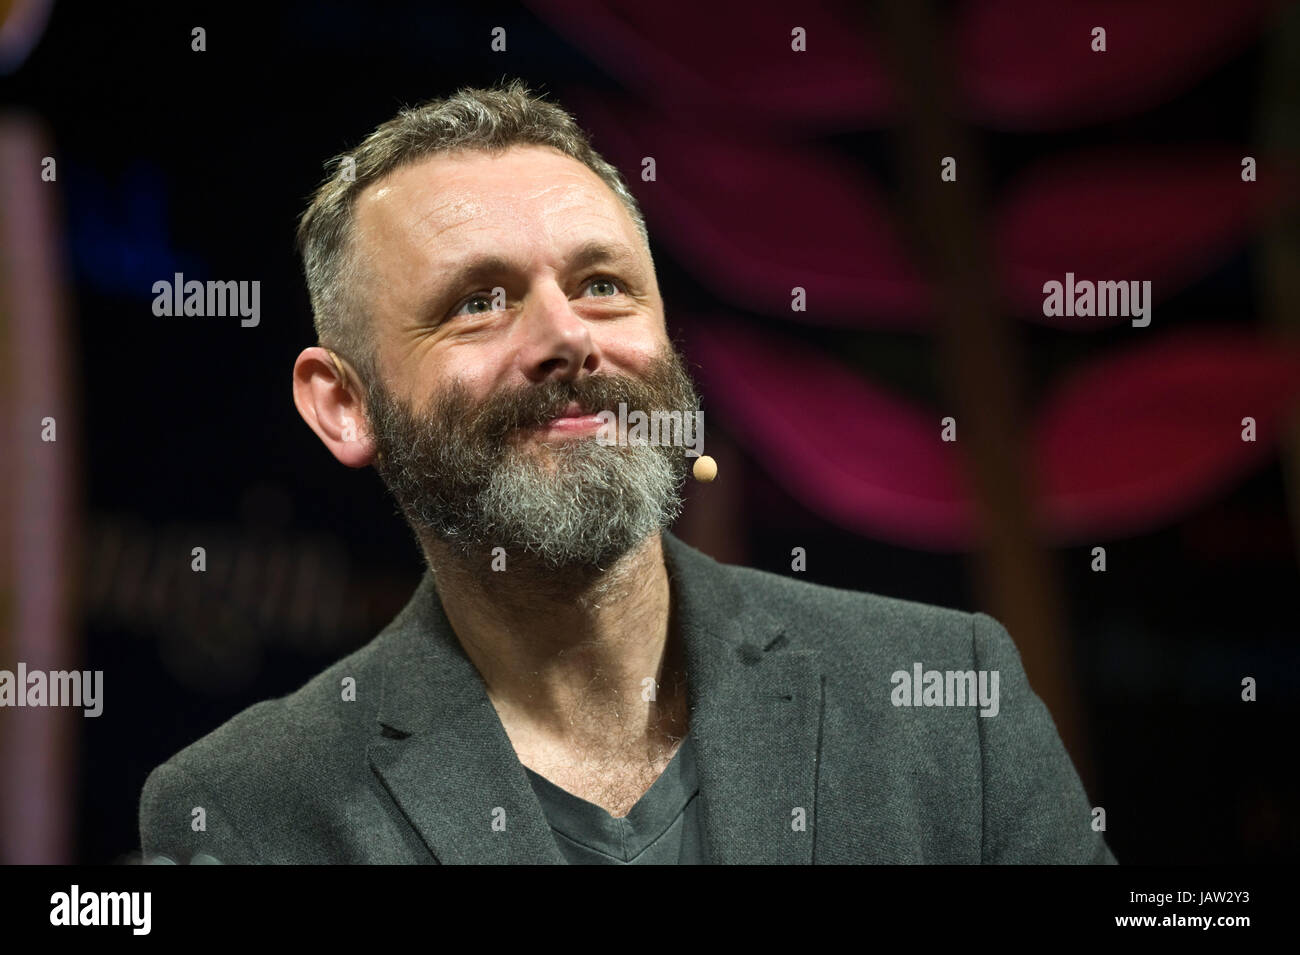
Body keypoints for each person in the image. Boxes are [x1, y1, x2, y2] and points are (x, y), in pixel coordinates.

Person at [138, 80, 1116, 865]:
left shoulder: (949, 697)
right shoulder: (244, 814)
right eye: (479, 302)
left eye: (602, 285)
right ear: (342, 405)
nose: (566, 336)